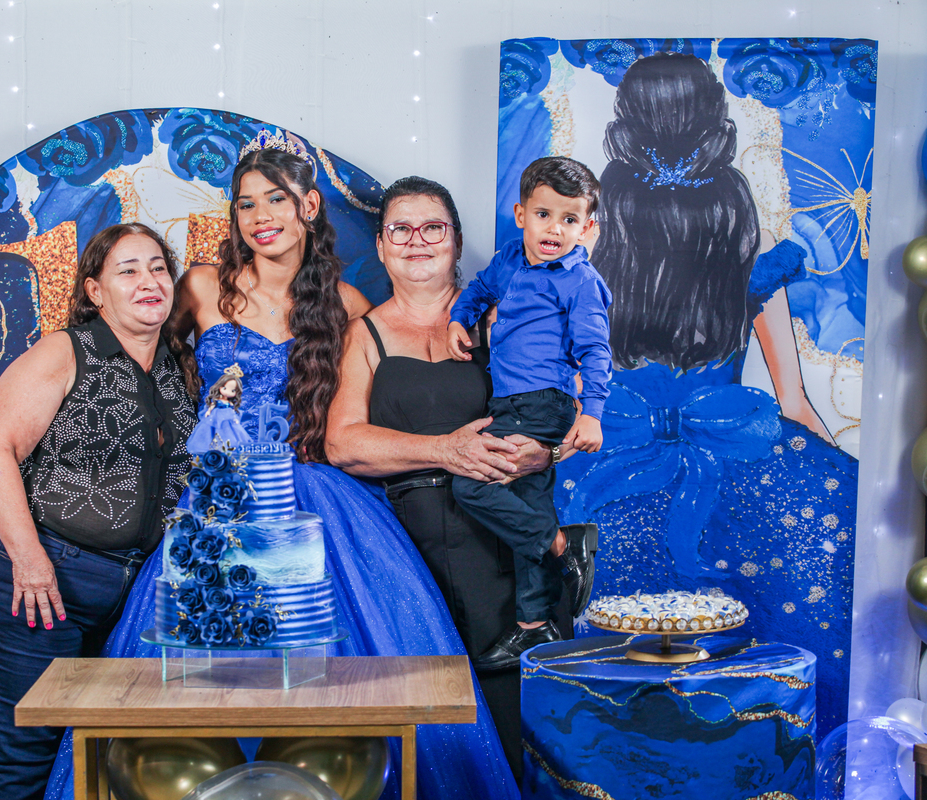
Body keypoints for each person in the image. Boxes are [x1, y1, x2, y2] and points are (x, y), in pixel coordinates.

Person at [45, 135, 523, 800]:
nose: (260, 215)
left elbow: (400, 379)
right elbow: (139, 366)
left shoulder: (349, 305)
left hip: (319, 503)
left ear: (310, 206)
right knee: (203, 681)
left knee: (339, 678)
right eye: (245, 204)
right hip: (221, 505)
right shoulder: (201, 287)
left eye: (275, 198)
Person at [559, 51, 856, 733]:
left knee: (617, 663)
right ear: (713, 122)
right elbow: (793, 404)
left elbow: (575, 389)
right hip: (738, 461)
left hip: (611, 463)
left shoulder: (587, 252)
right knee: (756, 644)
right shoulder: (743, 231)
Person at [325, 174, 584, 781]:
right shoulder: (364, 334)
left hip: (506, 540)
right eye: (400, 230)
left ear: (457, 242)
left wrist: (545, 452)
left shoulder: (510, 313)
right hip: (406, 559)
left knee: (519, 726)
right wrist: (444, 450)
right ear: (381, 246)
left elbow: (567, 410)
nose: (417, 241)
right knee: (425, 737)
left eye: (433, 228)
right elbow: (342, 443)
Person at [0, 223, 199, 800]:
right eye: (128, 270)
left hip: (127, 594)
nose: (149, 281)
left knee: (99, 760)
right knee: (28, 757)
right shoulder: (67, 351)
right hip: (36, 580)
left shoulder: (177, 366)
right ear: (95, 290)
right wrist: (29, 560)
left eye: (158, 268)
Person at [443, 157, 610, 669]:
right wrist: (459, 319)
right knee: (528, 506)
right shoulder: (510, 261)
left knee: (472, 484)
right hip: (509, 401)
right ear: (521, 215)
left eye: (569, 219)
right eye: (543, 215)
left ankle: (564, 545)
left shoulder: (580, 281)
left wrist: (592, 413)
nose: (554, 229)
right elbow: (479, 289)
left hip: (542, 402)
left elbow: (596, 351)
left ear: (587, 228)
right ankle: (535, 626)